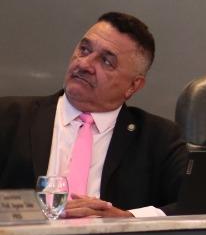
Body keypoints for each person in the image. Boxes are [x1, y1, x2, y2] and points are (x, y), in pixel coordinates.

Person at [0, 12, 184, 217]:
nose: (84, 64)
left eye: (106, 61)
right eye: (84, 49)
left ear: (133, 85)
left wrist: (130, 220)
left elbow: (197, 206)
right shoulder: (9, 117)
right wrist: (43, 213)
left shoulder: (159, 138)